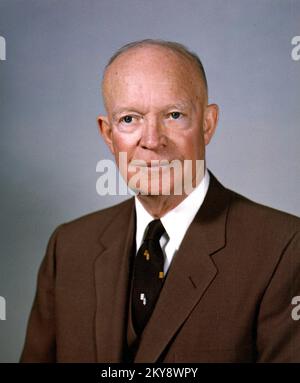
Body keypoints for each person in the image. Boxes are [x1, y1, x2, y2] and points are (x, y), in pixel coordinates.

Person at [20, 39, 300, 363]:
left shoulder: (284, 248)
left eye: (174, 114)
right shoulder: (68, 249)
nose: (152, 141)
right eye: (129, 119)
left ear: (208, 125)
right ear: (108, 135)